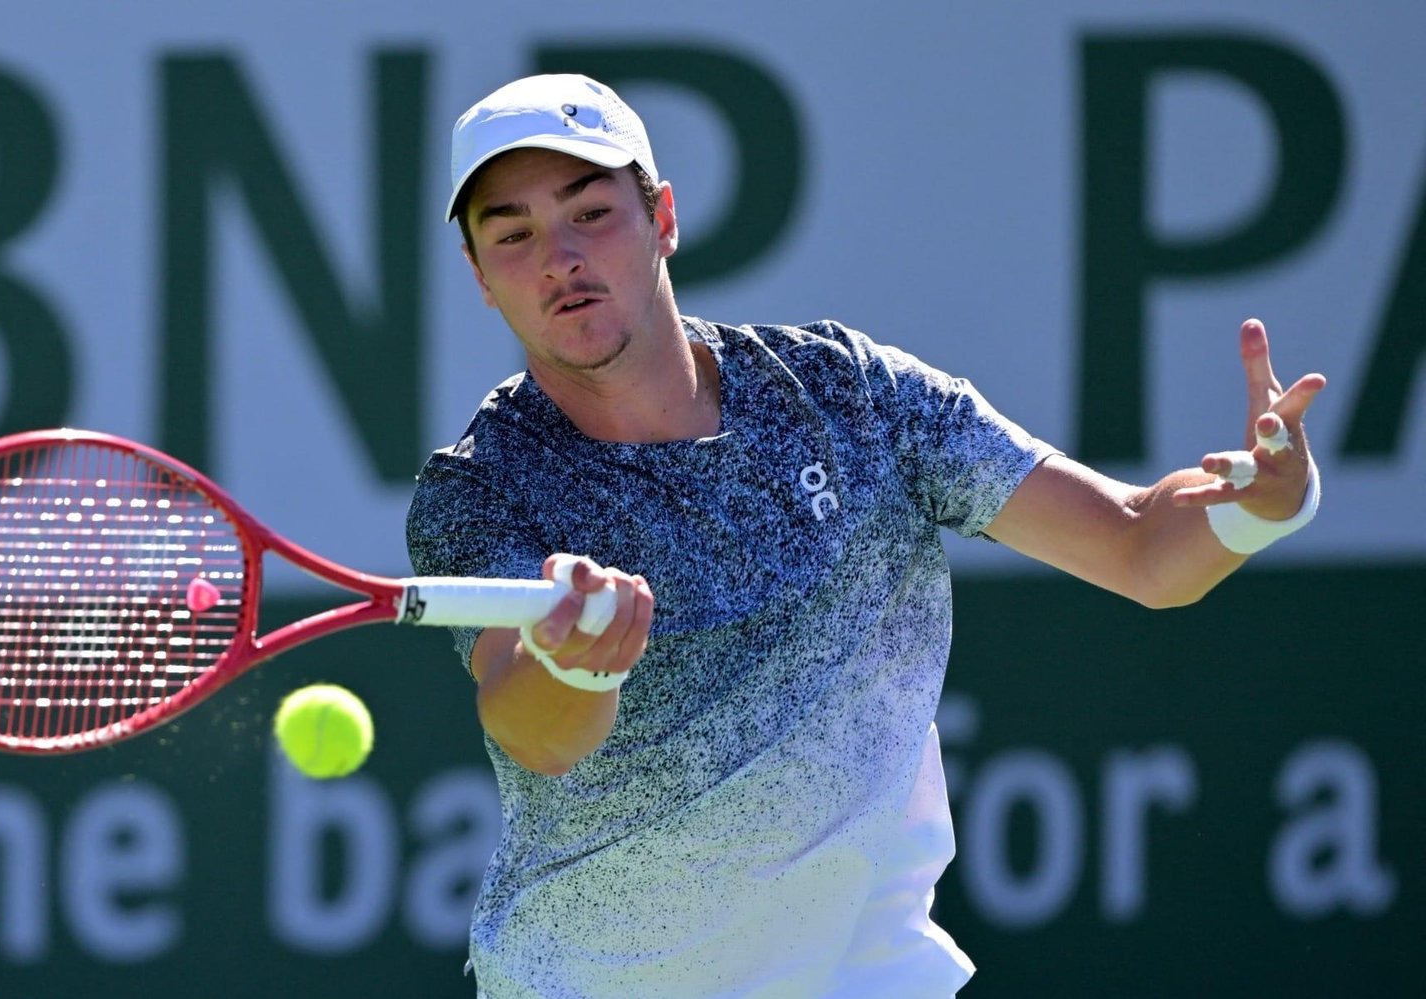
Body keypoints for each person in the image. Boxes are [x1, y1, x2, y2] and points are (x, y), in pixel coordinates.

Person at [405, 74, 1324, 998]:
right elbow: (533, 730)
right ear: (482, 278)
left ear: (664, 217)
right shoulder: (481, 487)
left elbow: (1142, 549)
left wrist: (1261, 504)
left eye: (591, 212)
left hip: (862, 975)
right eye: (513, 234)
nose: (559, 257)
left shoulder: (853, 397)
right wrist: (580, 664)